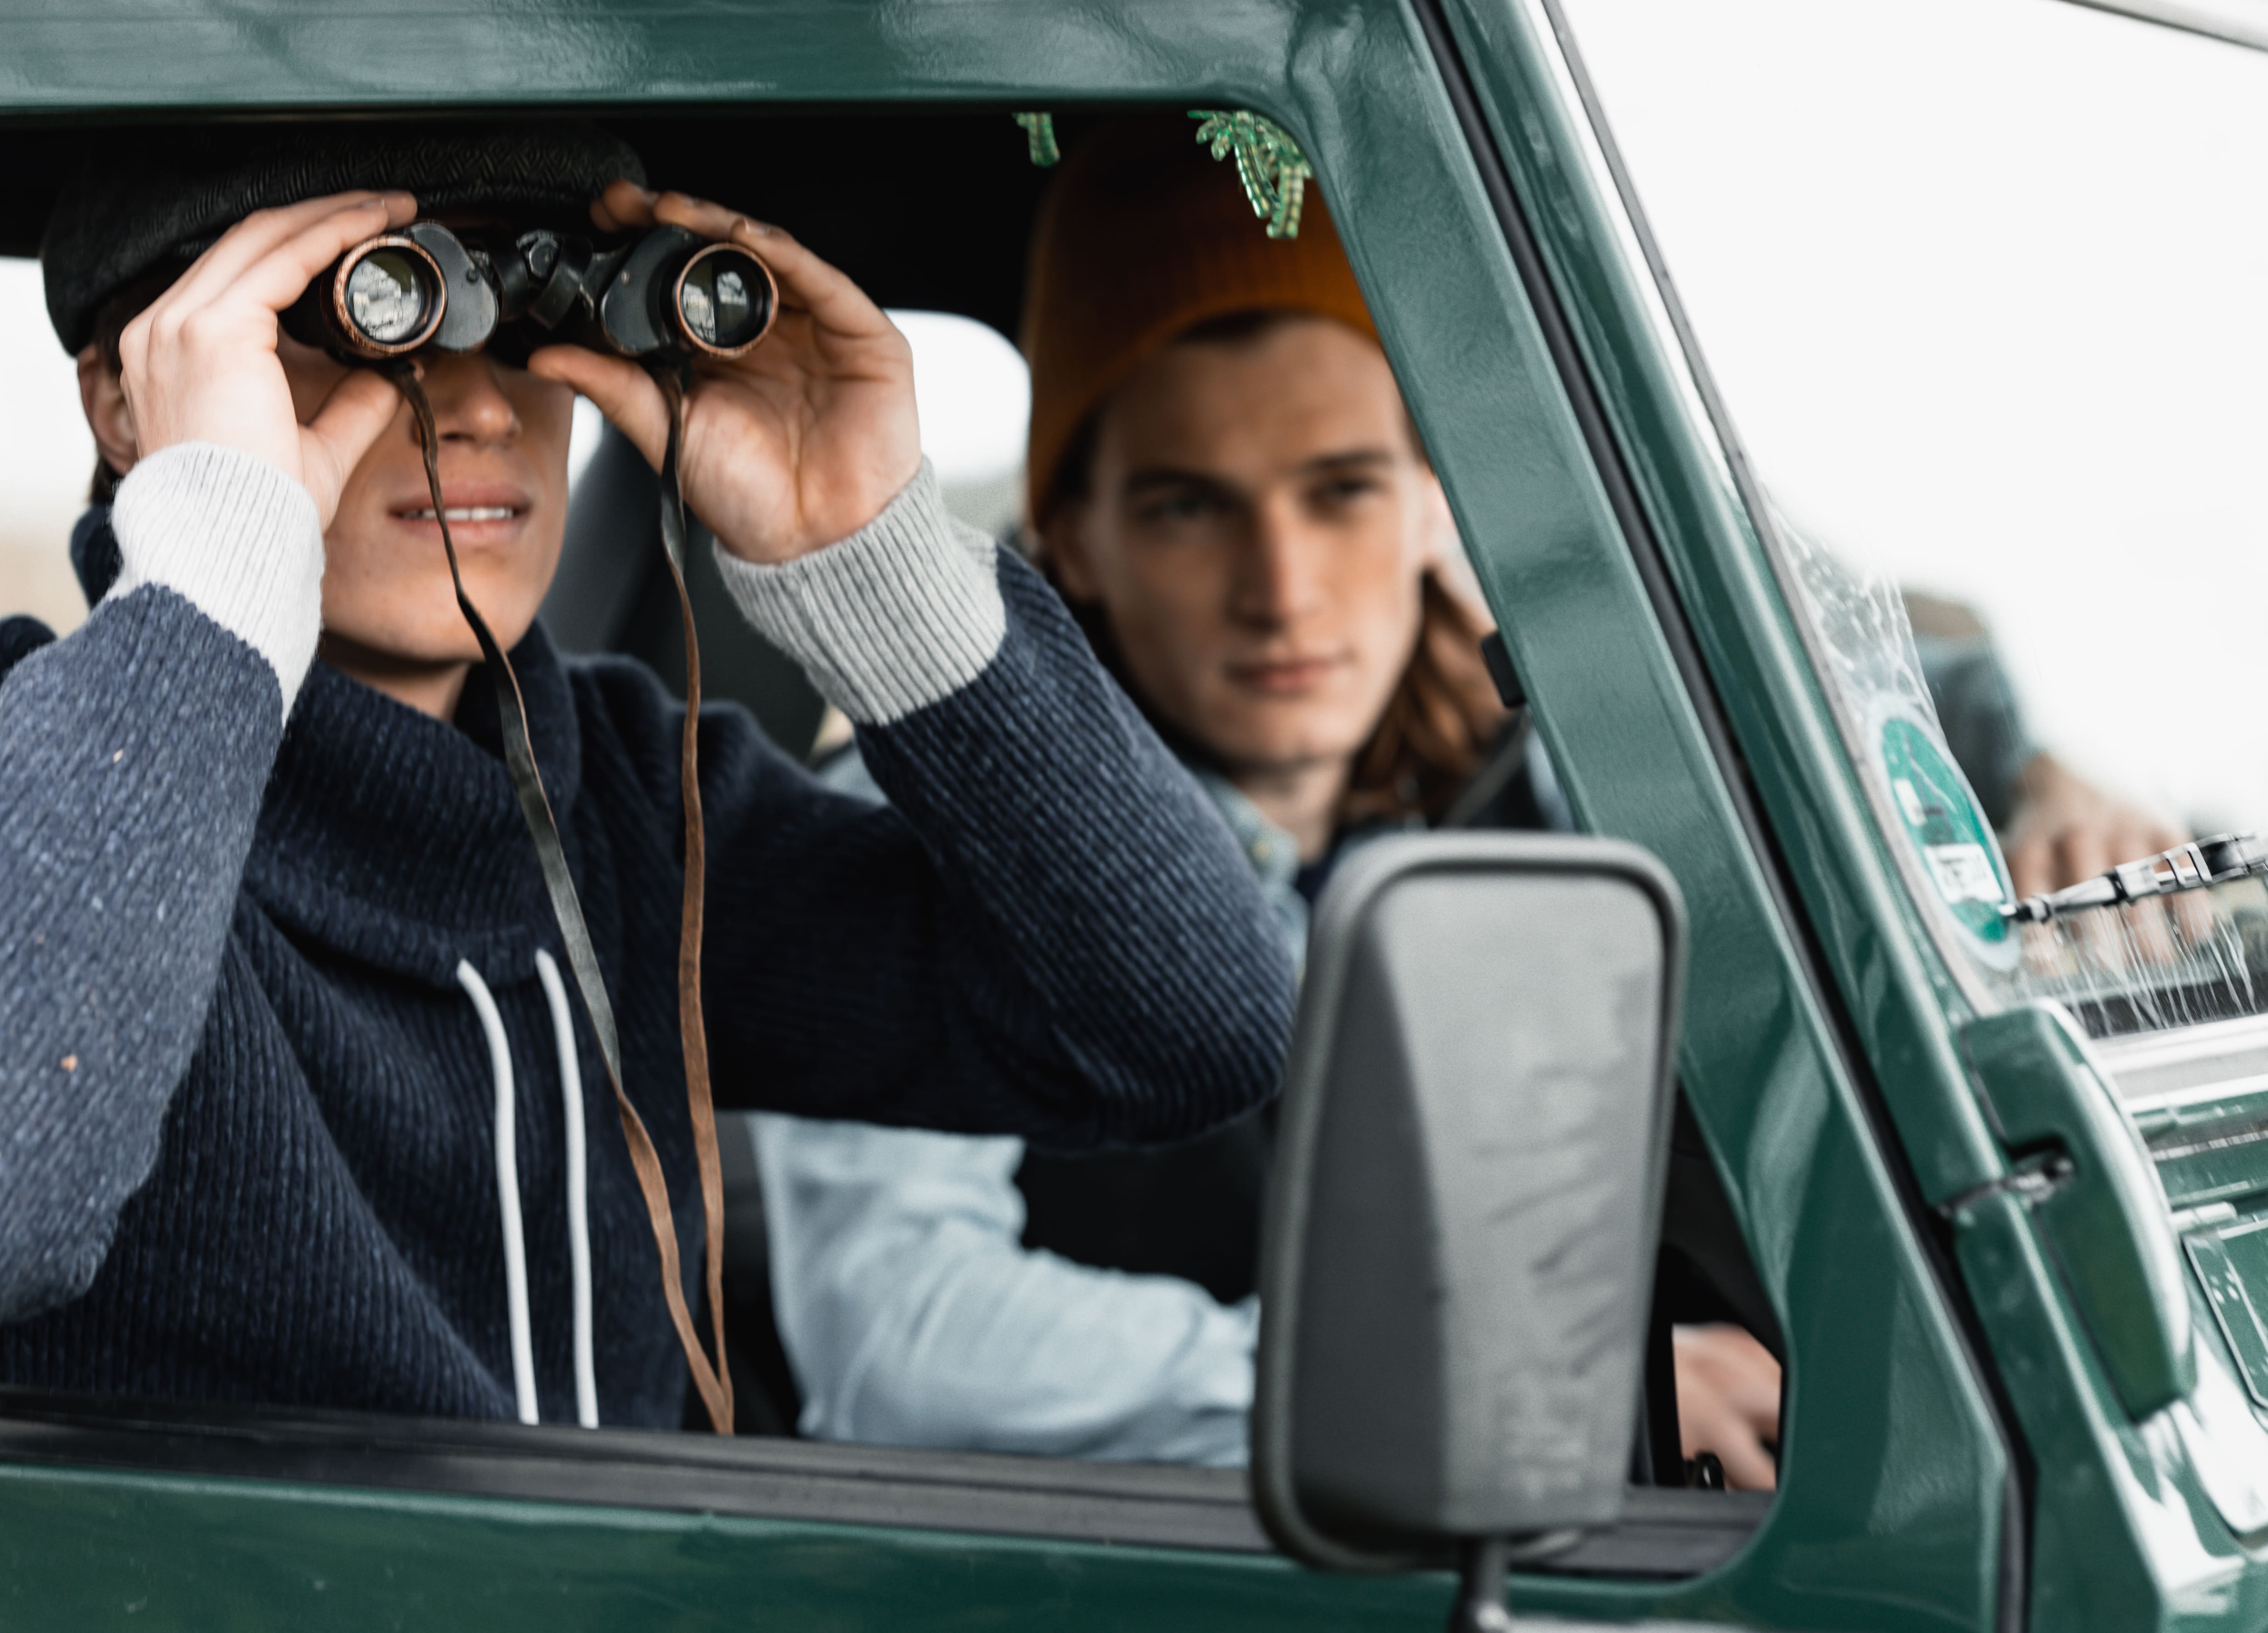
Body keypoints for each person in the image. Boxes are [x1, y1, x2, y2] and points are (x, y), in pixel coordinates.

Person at [0, 124, 1295, 1431]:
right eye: (370, 314)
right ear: (134, 399)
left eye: (540, 328)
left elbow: (1194, 1032)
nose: (475, 400)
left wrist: (869, 559)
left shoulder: (624, 807)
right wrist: (209, 577)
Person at [749, 117, 2178, 1486]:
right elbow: (903, 1337)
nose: (1285, 588)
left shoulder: (1548, 760)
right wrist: (1527, 1388)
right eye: (1190, 506)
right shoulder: (936, 805)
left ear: (1434, 503)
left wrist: (2056, 770)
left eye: (1343, 491)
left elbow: (1903, 699)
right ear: (1074, 539)